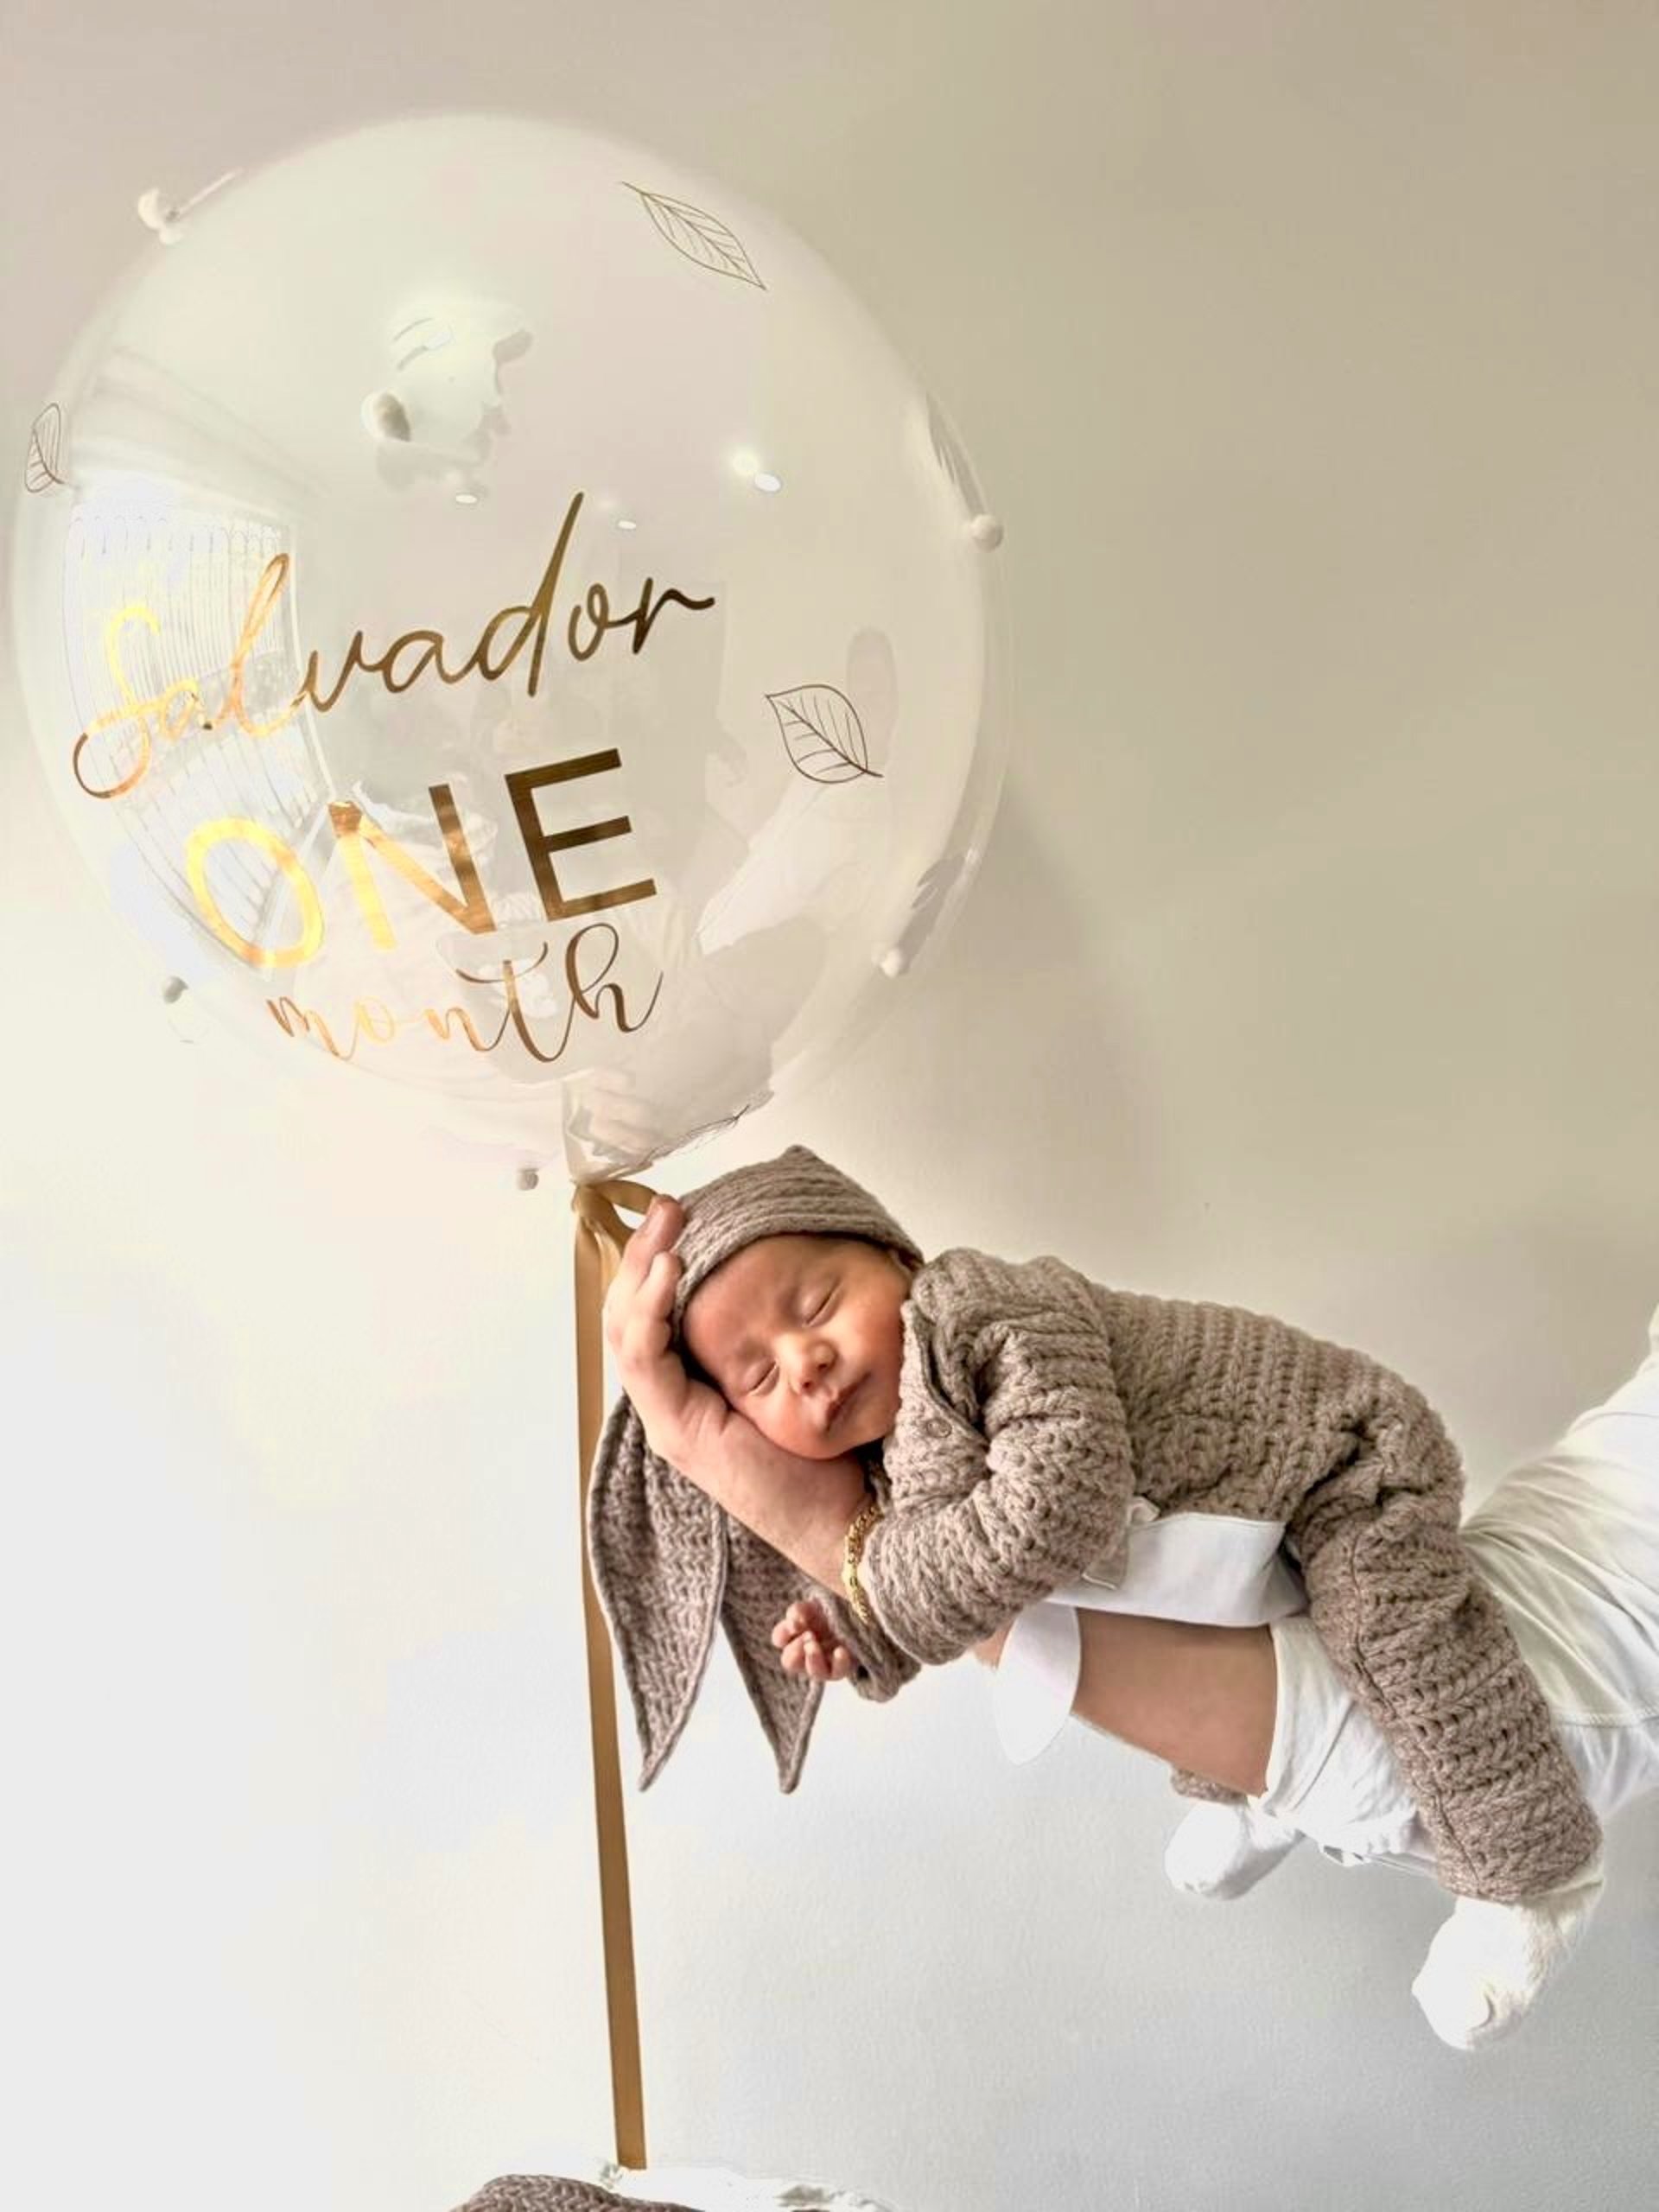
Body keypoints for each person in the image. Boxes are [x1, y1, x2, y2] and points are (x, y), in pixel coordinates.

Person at [589, 1144, 1613, 2046]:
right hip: (1224, 1537)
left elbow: (1058, 1510)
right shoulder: (893, 1458)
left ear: (896, 1258)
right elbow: (927, 1567)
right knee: (1167, 1614)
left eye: (814, 1306)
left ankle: (1529, 1873)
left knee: (1404, 1643)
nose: (804, 1363)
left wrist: (875, 1580)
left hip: (1341, 1465)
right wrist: (859, 1631)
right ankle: (1245, 1788)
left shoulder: (981, 1310)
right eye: (759, 1380)